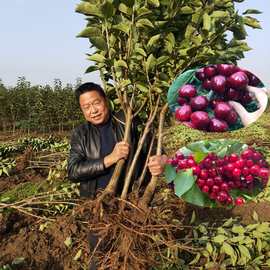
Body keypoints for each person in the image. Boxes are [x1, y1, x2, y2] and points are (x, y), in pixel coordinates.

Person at [67, 82, 167, 199]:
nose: (93, 110)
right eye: (86, 107)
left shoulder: (128, 121)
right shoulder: (80, 134)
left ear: (106, 101)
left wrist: (163, 160)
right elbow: (73, 171)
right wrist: (109, 159)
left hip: (132, 199)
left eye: (96, 103)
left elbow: (154, 149)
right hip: (95, 203)